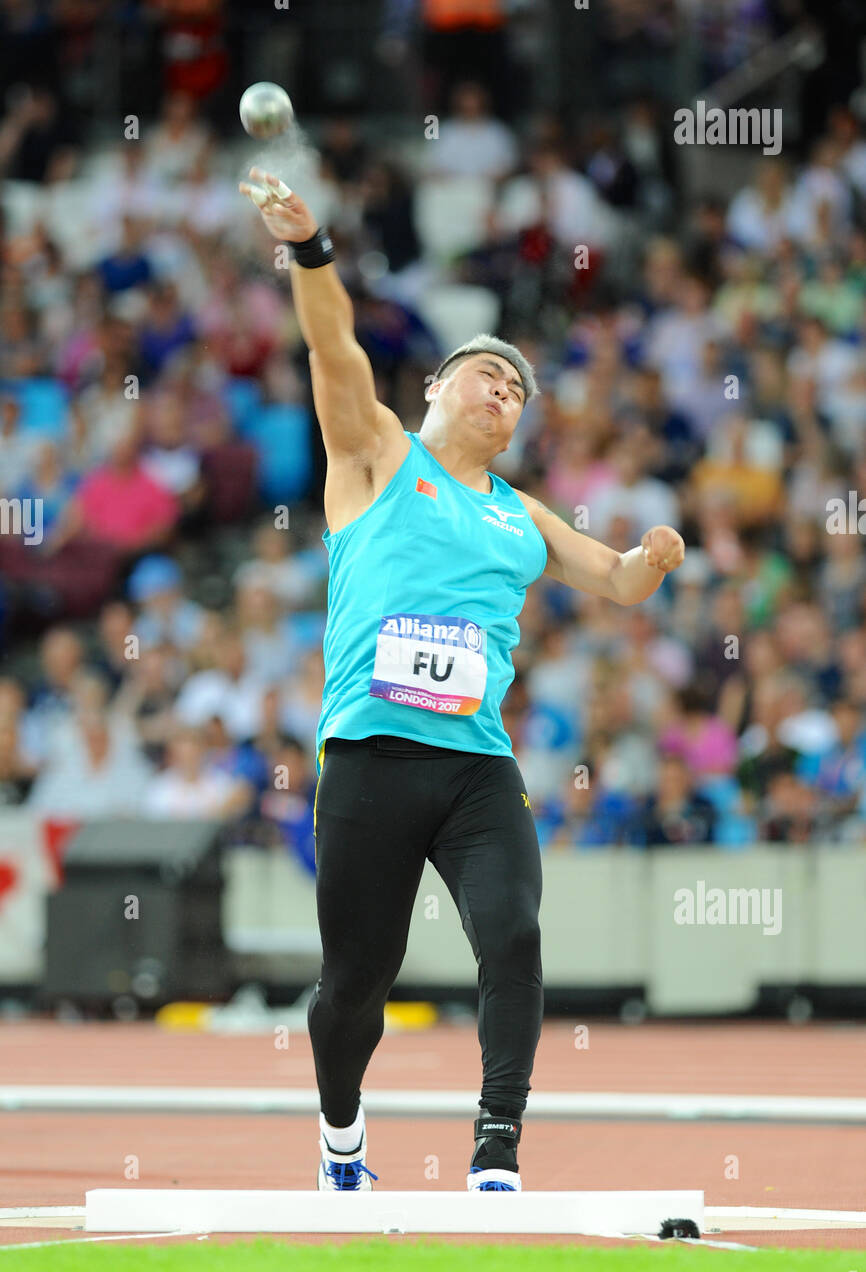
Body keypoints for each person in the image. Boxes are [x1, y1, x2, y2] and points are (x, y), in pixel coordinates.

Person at [239, 165, 686, 1195]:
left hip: (476, 766)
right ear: (437, 383)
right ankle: (342, 1135)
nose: (505, 392)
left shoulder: (521, 513)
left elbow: (611, 580)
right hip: (369, 754)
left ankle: (495, 1146)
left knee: (515, 932)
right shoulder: (374, 454)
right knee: (356, 980)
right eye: (488, 374)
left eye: (519, 391)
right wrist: (311, 249)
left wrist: (650, 561)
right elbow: (330, 346)